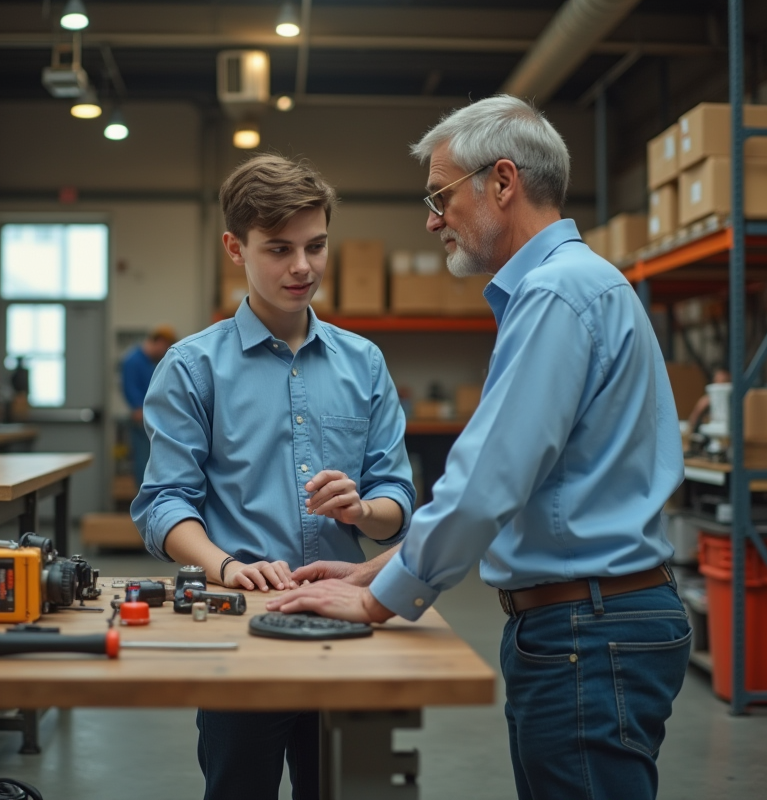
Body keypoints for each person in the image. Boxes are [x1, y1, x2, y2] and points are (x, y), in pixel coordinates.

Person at [267, 95, 691, 800]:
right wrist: (375, 570)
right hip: (591, 620)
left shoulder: (556, 295)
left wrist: (379, 602)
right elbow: (523, 492)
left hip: (586, 630)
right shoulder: (578, 286)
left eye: (441, 196)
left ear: (502, 182)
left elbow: (486, 483)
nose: (433, 219)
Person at [130, 153, 415, 800]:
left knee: (353, 790)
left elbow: (396, 496)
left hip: (348, 621)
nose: (302, 267)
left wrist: (364, 512)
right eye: (279, 249)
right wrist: (226, 566)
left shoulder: (365, 363)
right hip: (242, 625)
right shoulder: (192, 368)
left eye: (316, 246)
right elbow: (165, 503)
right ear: (236, 248)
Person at [121, 325, 175, 482]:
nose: (164, 352)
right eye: (165, 347)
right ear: (160, 341)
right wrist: (140, 411)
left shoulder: (151, 362)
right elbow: (130, 390)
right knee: (144, 462)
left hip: (155, 418)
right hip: (142, 420)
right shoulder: (133, 360)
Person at [686, 366, 732, 435]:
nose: (719, 386)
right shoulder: (706, 401)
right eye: (716, 381)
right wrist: (700, 408)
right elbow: (691, 423)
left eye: (724, 382)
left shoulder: (735, 402)